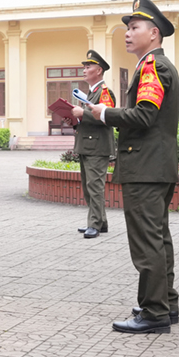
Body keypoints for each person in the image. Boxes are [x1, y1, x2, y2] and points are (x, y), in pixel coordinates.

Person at [90, 0, 179, 335]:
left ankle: (153, 312)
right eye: (127, 28)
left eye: (134, 28)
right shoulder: (156, 65)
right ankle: (165, 303)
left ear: (153, 33)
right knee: (159, 239)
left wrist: (103, 113)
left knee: (147, 243)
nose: (127, 33)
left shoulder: (152, 67)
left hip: (145, 167)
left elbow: (144, 115)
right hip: (156, 165)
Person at [69, 50, 116, 239]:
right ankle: (100, 222)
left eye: (88, 67)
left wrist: (83, 114)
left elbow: (107, 117)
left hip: (97, 147)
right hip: (88, 146)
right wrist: (73, 119)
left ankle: (94, 224)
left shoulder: (104, 92)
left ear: (99, 70)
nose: (84, 70)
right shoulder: (91, 92)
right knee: (89, 187)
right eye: (84, 67)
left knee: (95, 187)